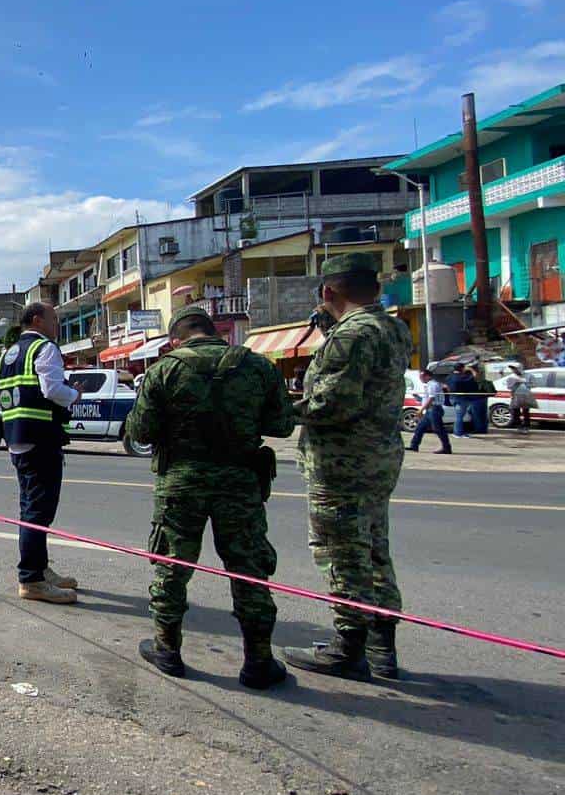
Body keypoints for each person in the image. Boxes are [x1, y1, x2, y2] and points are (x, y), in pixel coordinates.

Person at [123, 306, 295, 687]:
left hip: (181, 482)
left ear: (175, 339)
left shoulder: (164, 369)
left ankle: (167, 649)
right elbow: (283, 425)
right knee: (249, 568)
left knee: (173, 566)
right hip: (240, 481)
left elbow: (141, 431)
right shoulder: (258, 366)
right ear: (215, 332)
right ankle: (258, 661)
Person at [284, 253, 412, 681]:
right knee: (374, 547)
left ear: (328, 292)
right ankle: (382, 647)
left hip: (341, 463)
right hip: (378, 456)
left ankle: (348, 645)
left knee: (341, 551)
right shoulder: (393, 328)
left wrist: (281, 412)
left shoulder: (351, 336)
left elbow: (331, 403)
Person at [0, 302, 80, 605]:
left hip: (18, 438)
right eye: (54, 319)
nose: (57, 325)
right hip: (42, 437)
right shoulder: (45, 348)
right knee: (38, 511)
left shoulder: (8, 355)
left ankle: (40, 569)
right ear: (37, 320)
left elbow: (1, 399)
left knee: (31, 509)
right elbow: (51, 388)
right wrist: (74, 395)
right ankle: (31, 578)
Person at [407, 369, 451, 454]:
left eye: (422, 376)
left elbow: (431, 398)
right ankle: (414, 446)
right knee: (420, 428)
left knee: (438, 429)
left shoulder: (433, 385)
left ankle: (446, 447)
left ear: (428, 376)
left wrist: (421, 410)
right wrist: (418, 398)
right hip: (430, 410)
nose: (421, 378)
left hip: (434, 409)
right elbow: (426, 399)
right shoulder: (429, 385)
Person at [447, 364, 476, 437]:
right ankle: (458, 433)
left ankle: (460, 432)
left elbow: (447, 387)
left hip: (452, 397)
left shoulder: (450, 376)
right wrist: (471, 369)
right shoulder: (462, 377)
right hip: (461, 399)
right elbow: (475, 376)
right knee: (459, 416)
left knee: (459, 415)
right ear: (461, 369)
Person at [506, 366, 536, 431]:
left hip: (525, 395)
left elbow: (533, 384)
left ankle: (526, 426)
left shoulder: (529, 375)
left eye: (515, 369)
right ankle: (518, 426)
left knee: (526, 411)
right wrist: (514, 384)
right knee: (516, 411)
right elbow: (508, 386)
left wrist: (524, 383)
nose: (514, 371)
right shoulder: (511, 377)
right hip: (515, 395)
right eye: (513, 369)